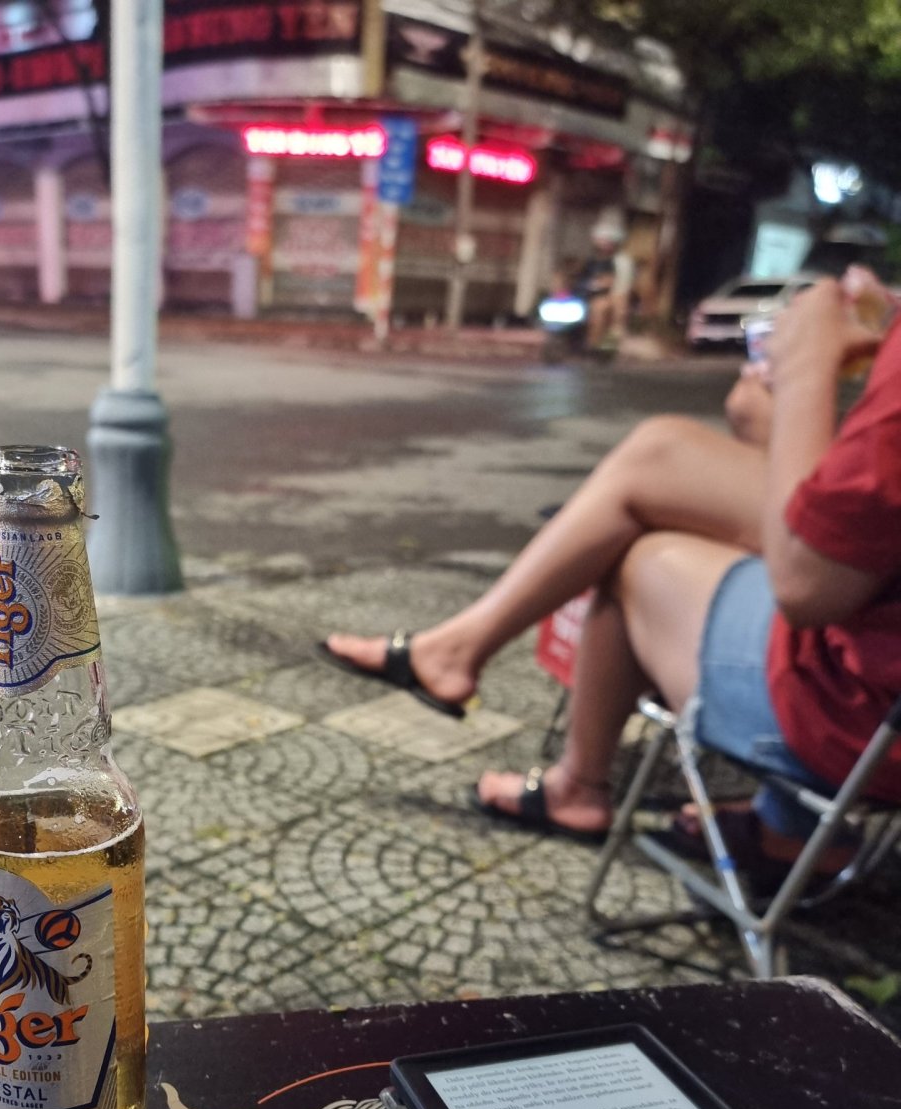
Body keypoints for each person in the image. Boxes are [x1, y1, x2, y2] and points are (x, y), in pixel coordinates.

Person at [322, 273, 901, 883]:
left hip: (853, 718)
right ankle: (473, 667)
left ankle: (567, 770)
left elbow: (807, 583)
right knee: (663, 452)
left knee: (634, 553)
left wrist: (805, 375)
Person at [575, 214, 635, 352]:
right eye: (600, 239)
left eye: (605, 240)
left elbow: (618, 284)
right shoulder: (592, 259)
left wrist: (603, 286)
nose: (601, 243)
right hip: (585, 295)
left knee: (599, 311)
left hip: (609, 296)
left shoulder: (620, 261)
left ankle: (594, 343)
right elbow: (580, 275)